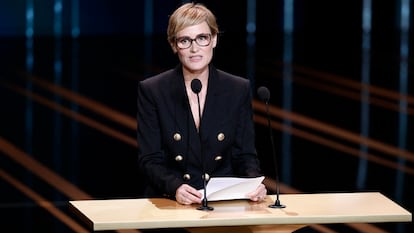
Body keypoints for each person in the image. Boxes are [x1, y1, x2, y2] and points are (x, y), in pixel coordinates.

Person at [137, 2, 266, 205]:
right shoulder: (153, 90)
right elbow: (150, 159)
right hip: (171, 201)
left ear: (214, 40)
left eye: (202, 38)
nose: (194, 48)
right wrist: (175, 187)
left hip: (223, 202)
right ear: (173, 45)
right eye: (185, 41)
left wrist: (253, 184)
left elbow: (245, 155)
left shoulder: (237, 89)